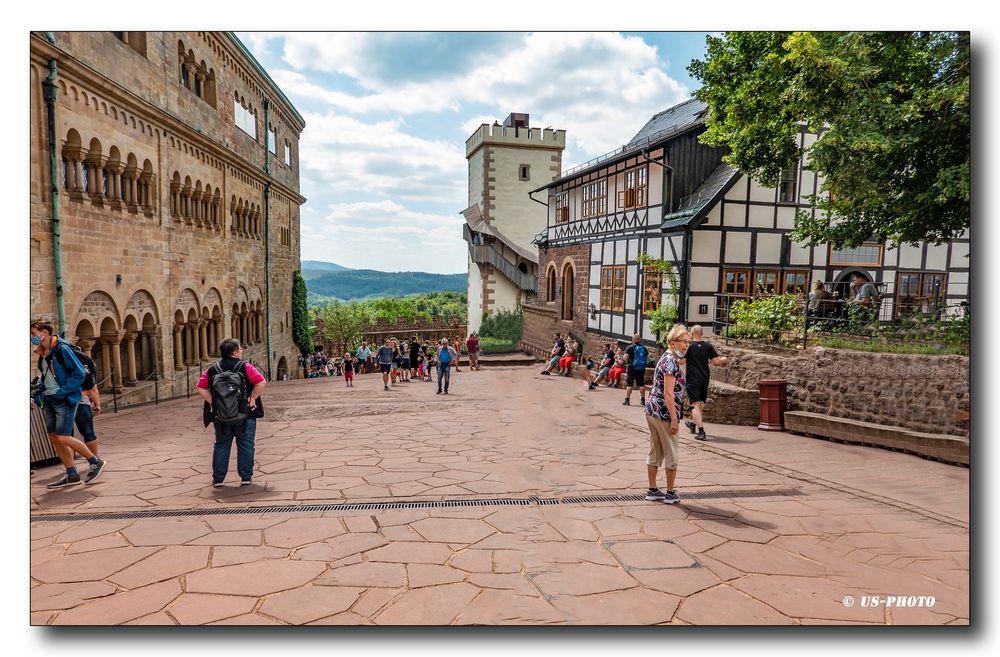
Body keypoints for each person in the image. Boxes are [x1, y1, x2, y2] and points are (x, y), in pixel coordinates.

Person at [31, 321, 107, 488]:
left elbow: (79, 373)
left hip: (63, 399)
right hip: (49, 399)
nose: (32, 338)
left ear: (44, 332)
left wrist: (62, 392)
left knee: (63, 436)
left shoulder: (62, 349)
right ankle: (71, 474)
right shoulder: (43, 353)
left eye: (33, 334)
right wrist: (37, 395)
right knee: (54, 437)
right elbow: (47, 377)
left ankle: (95, 461)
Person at [197, 338, 266, 487]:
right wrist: (252, 398)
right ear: (235, 352)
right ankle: (246, 477)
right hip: (245, 414)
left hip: (221, 415)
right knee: (246, 444)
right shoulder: (245, 367)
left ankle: (219, 479)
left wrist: (212, 403)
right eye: (240, 349)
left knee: (221, 445)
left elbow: (201, 387)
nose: (241, 351)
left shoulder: (212, 369)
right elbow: (261, 382)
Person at [643, 324, 690, 504]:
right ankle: (670, 493)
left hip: (651, 410)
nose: (687, 345)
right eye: (683, 341)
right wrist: (674, 419)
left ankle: (653, 489)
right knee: (671, 452)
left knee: (655, 450)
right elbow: (668, 394)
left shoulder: (666, 357)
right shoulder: (671, 362)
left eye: (688, 341)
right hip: (663, 412)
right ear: (672, 342)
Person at [681, 325, 728, 441]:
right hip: (704, 379)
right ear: (702, 334)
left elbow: (681, 361)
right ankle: (693, 423)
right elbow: (717, 362)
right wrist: (724, 359)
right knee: (700, 404)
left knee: (695, 405)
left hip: (692, 379)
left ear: (691, 333)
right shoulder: (708, 346)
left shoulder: (689, 346)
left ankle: (701, 432)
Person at [69, 343, 102, 457]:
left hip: (63, 401)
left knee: (66, 436)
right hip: (81, 399)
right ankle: (95, 459)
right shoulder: (82, 363)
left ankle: (70, 466)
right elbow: (92, 386)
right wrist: (97, 404)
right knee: (88, 432)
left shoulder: (58, 361)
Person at [623, 334, 649, 407]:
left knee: (629, 384)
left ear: (633, 339)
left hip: (631, 367)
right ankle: (643, 400)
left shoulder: (630, 347)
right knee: (641, 384)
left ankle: (627, 400)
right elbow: (646, 358)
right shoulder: (644, 348)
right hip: (641, 368)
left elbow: (625, 358)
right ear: (639, 339)